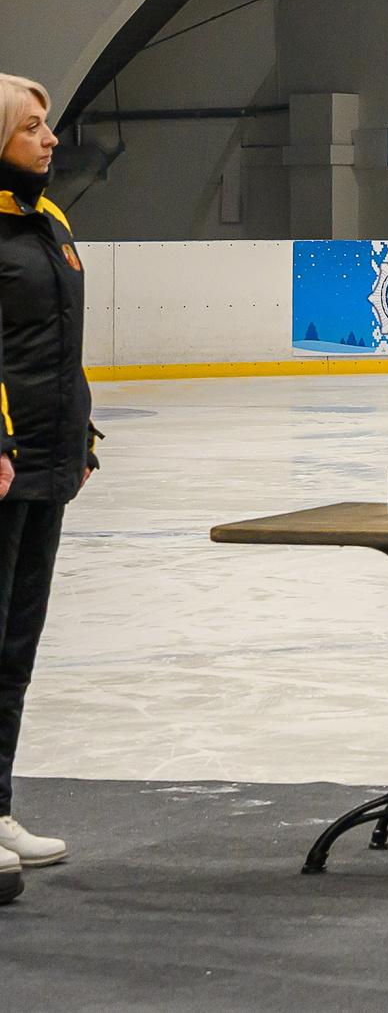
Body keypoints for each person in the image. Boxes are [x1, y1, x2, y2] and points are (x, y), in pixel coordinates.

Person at [0, 75, 94, 895]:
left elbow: (63, 341)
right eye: (32, 126)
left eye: (49, 126)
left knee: (15, 650)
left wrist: (81, 427)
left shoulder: (51, 222)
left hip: (46, 461)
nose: (50, 138)